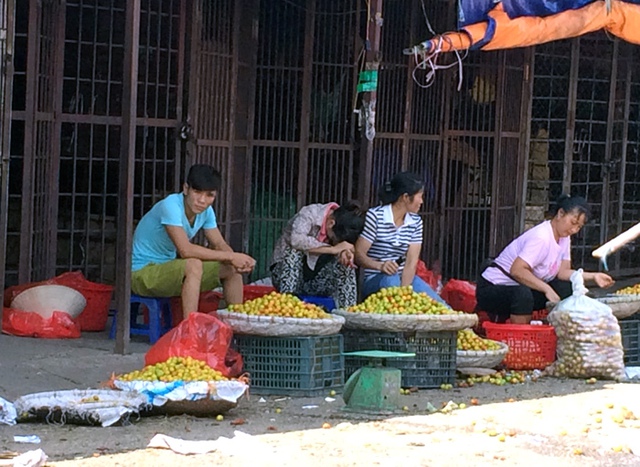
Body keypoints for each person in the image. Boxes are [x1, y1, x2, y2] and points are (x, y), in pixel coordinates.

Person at [131, 164, 256, 318]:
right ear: (185, 189)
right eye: (197, 192)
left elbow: (219, 244)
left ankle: (238, 325)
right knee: (193, 264)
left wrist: (237, 261)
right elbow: (185, 250)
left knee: (231, 269)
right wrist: (231, 256)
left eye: (209, 195)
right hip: (141, 273)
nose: (202, 200)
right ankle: (190, 329)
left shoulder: (207, 212)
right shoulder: (170, 205)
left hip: (167, 271)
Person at [476, 194, 614, 324]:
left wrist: (594, 276)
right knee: (522, 294)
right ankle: (521, 340)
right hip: (493, 288)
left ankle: (563, 332)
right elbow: (517, 270)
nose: (574, 230)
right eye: (573, 223)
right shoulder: (541, 237)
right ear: (560, 214)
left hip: (521, 287)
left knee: (567, 288)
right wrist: (547, 289)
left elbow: (562, 272)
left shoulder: (564, 238)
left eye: (578, 227)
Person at [355, 171, 445, 303]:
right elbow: (359, 254)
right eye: (420, 197)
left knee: (440, 306)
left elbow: (411, 263)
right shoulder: (375, 217)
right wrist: (380, 266)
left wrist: (404, 294)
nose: (421, 202)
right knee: (391, 280)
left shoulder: (416, 222)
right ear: (405, 197)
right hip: (375, 279)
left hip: (405, 279)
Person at [270, 201, 365, 309]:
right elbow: (296, 240)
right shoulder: (310, 213)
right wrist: (333, 249)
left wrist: (345, 252)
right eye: (334, 238)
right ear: (331, 223)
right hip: (287, 275)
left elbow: (343, 245)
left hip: (316, 280)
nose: (334, 240)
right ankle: (287, 306)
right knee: (294, 251)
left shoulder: (344, 221)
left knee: (346, 263)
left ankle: (348, 311)